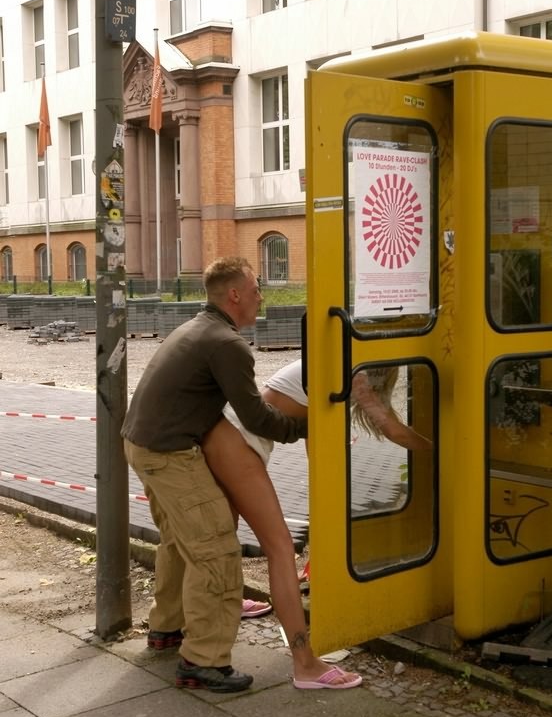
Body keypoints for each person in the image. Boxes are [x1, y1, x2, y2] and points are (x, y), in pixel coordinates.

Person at [121, 257, 308, 693]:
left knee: (179, 542)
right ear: (235, 295)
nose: (262, 297)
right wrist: (303, 427)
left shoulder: (197, 327)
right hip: (168, 453)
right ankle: (202, 661)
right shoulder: (227, 343)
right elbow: (257, 417)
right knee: (216, 550)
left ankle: (167, 629)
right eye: (257, 290)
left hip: (141, 444)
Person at [215, 358, 432, 588]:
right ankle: (231, 597)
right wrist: (438, 447)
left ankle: (230, 594)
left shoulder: (334, 363)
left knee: (227, 527)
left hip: (236, 433)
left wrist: (321, 476)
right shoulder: (356, 375)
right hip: (240, 440)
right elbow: (395, 431)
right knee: (273, 543)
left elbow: (314, 423)